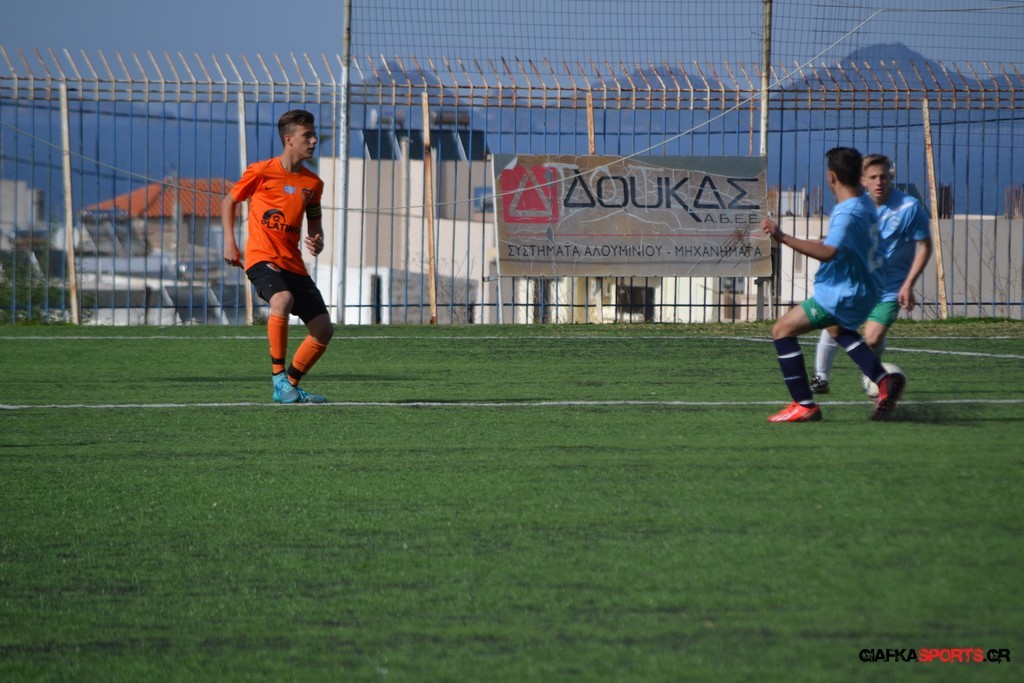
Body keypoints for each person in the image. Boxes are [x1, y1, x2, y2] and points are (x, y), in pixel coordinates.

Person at [760, 147, 904, 422]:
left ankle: (804, 404)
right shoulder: (865, 204)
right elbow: (843, 243)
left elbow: (829, 252)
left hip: (842, 292)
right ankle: (882, 380)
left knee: (781, 330)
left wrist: (782, 236)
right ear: (861, 176)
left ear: (831, 176)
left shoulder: (846, 212)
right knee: (838, 328)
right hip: (867, 288)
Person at [222, 109, 334, 404]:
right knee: (282, 299)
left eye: (314, 135)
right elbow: (229, 201)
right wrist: (230, 243)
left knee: (323, 329)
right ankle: (278, 376)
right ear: (289, 139)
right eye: (307, 135)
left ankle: (289, 386)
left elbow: (315, 223)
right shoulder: (261, 172)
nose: (314, 141)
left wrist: (318, 240)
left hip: (292, 263)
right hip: (262, 258)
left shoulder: (313, 184)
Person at [810, 153, 933, 396]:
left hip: (889, 287)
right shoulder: (855, 207)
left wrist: (908, 284)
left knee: (873, 339)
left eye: (884, 177)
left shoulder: (909, 207)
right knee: (833, 321)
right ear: (862, 180)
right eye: (873, 177)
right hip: (857, 283)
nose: (879, 182)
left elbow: (925, 246)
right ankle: (821, 378)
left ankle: (870, 376)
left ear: (891, 178)